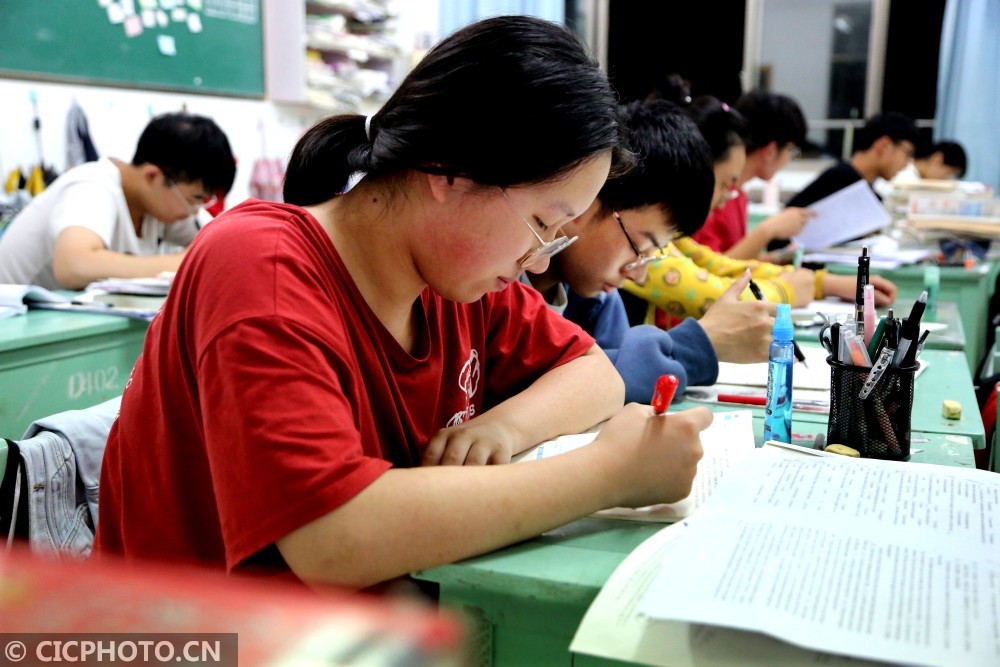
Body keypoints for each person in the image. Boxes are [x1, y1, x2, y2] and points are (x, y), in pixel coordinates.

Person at [95, 16, 711, 590]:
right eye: (542, 224)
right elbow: (330, 538)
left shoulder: (455, 281)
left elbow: (594, 374)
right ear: (448, 170)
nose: (543, 261)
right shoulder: (263, 265)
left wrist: (503, 426)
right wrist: (605, 477)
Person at [522, 99, 775, 403]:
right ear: (587, 197)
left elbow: (609, 379)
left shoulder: (601, 300)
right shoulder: (501, 285)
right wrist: (699, 343)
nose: (638, 273)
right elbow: (585, 385)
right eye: (639, 246)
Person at [621, 97, 896, 331]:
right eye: (727, 185)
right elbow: (711, 294)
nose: (724, 199)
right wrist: (790, 291)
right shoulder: (635, 242)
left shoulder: (664, 236)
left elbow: (718, 265)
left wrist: (823, 283)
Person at [0, 112, 235, 290]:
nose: (195, 213)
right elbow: (74, 266)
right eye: (194, 200)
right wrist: (181, 263)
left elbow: (221, 247)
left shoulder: (163, 204)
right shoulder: (92, 186)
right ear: (152, 176)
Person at [692, 90, 816, 261]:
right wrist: (766, 231)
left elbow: (735, 264)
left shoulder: (738, 194)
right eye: (791, 150)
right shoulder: (713, 195)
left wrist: (778, 256)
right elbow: (711, 268)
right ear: (771, 150)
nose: (789, 158)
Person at [894, 139, 968, 182]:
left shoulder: (917, 177)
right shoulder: (906, 177)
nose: (946, 180)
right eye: (949, 173)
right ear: (937, 159)